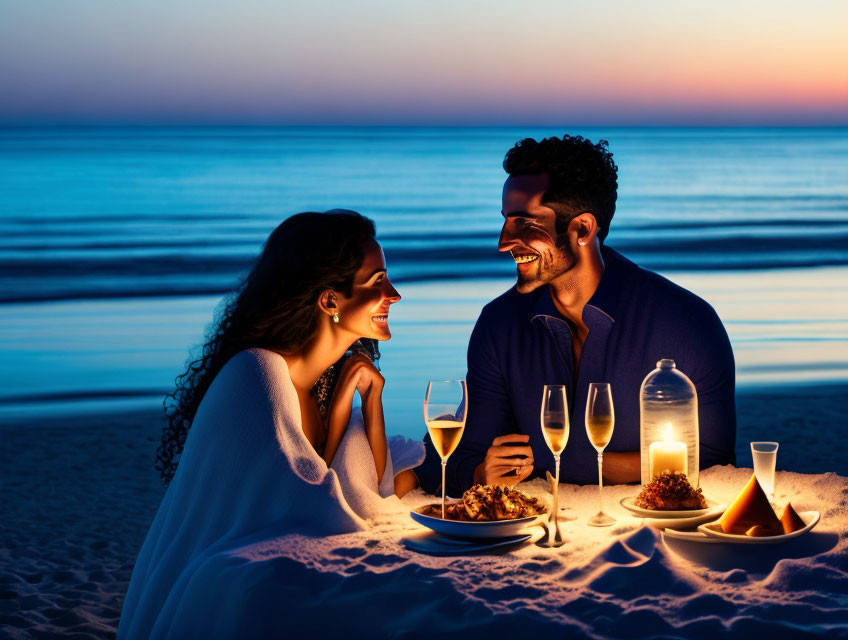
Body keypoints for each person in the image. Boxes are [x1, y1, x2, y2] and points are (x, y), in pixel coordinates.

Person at [119, 210, 420, 639]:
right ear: (330, 300)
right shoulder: (257, 373)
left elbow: (361, 487)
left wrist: (363, 405)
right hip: (214, 586)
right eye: (377, 282)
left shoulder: (323, 383)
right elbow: (310, 507)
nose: (394, 294)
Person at [414, 135, 736, 496]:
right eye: (506, 221)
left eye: (525, 222)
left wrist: (562, 460)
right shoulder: (499, 325)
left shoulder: (687, 323)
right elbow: (460, 457)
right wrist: (480, 474)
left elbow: (713, 464)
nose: (504, 242)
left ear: (582, 228)